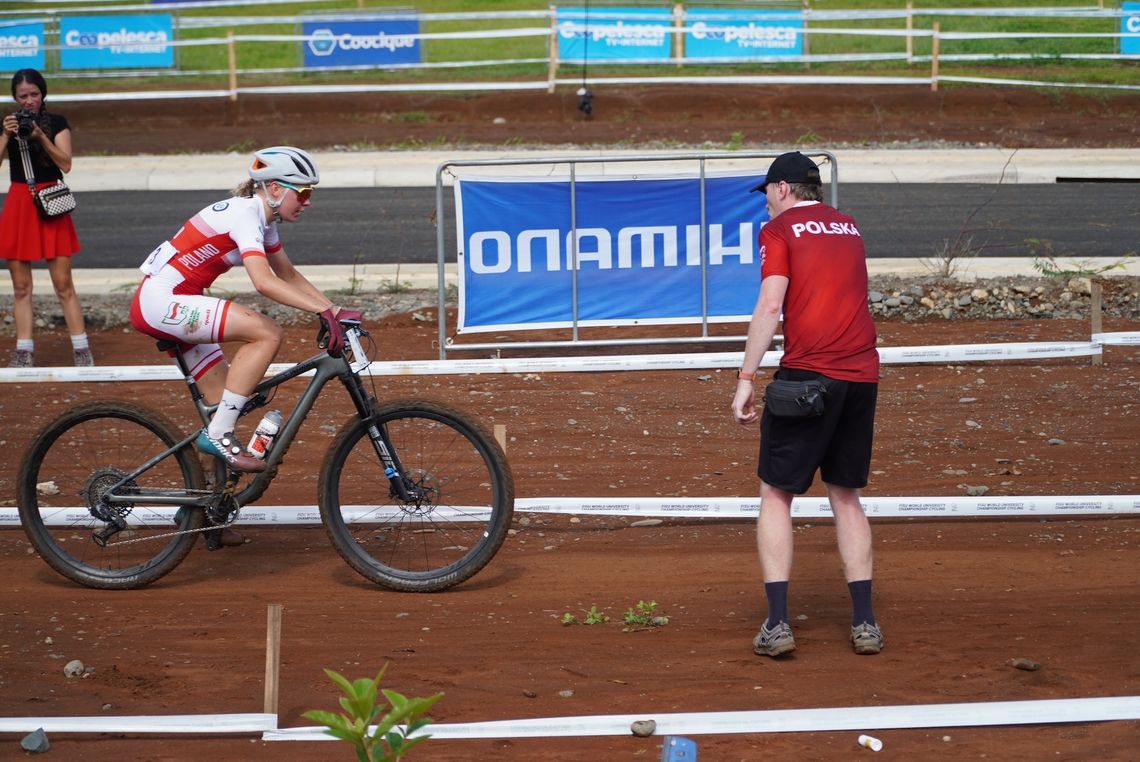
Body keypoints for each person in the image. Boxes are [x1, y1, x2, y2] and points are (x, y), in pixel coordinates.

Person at [730, 151, 883, 657]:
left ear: (781, 189)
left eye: (768, 196)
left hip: (808, 376)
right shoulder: (849, 224)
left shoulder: (778, 232)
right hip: (861, 374)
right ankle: (864, 623)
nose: (767, 206)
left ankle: (777, 623)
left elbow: (771, 304)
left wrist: (747, 376)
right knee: (846, 494)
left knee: (776, 492)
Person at [130, 146, 359, 475]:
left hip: (176, 301)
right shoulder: (246, 216)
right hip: (163, 301)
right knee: (267, 333)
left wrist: (333, 311)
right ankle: (218, 434)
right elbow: (264, 282)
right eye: (304, 192)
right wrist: (321, 313)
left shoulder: (264, 221)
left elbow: (288, 275)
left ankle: (204, 516)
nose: (308, 201)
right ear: (276, 189)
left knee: (225, 405)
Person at [0, 68, 93, 368]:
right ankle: (24, 351)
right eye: (22, 96)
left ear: (43, 94)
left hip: (50, 200)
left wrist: (40, 134)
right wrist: (5, 134)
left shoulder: (57, 123)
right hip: (19, 202)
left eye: (34, 94)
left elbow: (66, 164)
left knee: (63, 283)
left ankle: (81, 349)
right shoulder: (8, 126)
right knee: (20, 287)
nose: (29, 101)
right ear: (14, 98)